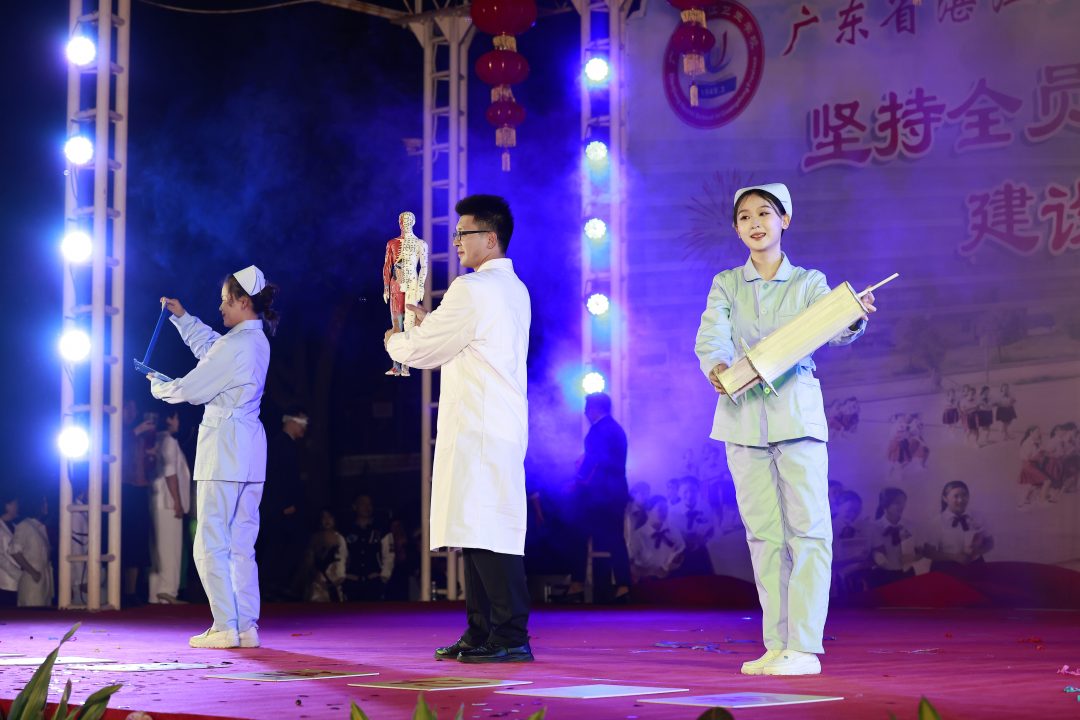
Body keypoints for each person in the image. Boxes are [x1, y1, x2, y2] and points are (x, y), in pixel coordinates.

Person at [694, 183, 876, 676]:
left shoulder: (809, 282)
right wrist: (717, 366)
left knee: (809, 531)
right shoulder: (726, 284)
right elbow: (712, 334)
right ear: (736, 229)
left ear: (785, 220)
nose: (755, 223)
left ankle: (806, 646)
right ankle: (777, 644)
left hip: (796, 416)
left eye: (765, 213)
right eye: (745, 217)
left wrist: (851, 315)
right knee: (763, 536)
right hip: (741, 419)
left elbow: (833, 328)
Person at [385, 194, 533, 663]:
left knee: (488, 530)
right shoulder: (513, 289)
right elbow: (463, 339)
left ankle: (509, 635)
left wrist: (396, 339)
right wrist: (429, 324)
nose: (455, 242)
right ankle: (481, 629)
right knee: (478, 527)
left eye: (463, 234)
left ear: (490, 238)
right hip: (496, 422)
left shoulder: (472, 288)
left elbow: (426, 350)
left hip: (480, 424)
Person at [148, 264, 276, 649]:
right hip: (249, 451)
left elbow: (193, 388)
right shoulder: (255, 340)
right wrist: (183, 318)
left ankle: (224, 625)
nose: (220, 307)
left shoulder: (235, 346)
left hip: (224, 449)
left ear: (243, 301)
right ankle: (245, 626)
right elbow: (212, 349)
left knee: (210, 542)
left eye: (225, 301)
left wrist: (160, 387)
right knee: (241, 543)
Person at [566, 392, 632, 603]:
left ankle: (577, 584)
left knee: (578, 535)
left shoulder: (598, 429)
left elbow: (593, 460)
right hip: (616, 491)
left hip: (600, 494)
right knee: (616, 538)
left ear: (595, 408)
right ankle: (623, 585)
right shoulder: (616, 429)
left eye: (587, 408)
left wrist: (577, 481)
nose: (585, 412)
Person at [259, 409, 308, 600]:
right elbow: (277, 478)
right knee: (278, 545)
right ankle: (271, 585)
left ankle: (276, 585)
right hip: (280, 509)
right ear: (291, 422)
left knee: (282, 545)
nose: (304, 427)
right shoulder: (280, 445)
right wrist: (284, 504)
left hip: (284, 507)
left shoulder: (287, 445)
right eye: (302, 423)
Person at [149, 409, 192, 604]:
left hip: (158, 500)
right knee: (170, 548)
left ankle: (156, 593)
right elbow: (170, 473)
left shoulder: (159, 439)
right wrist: (177, 501)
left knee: (159, 549)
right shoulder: (170, 441)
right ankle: (168, 591)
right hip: (168, 502)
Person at [921, 480, 994, 570]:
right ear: (945, 498)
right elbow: (928, 552)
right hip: (947, 568)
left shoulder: (978, 516)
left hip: (976, 566)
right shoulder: (937, 522)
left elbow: (990, 542)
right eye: (956, 496)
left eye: (964, 495)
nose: (961, 500)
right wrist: (955, 557)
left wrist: (977, 551)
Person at [342, 495, 388, 601]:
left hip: (374, 581)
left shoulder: (380, 529)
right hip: (352, 582)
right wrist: (343, 576)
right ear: (354, 506)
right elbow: (342, 555)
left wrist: (383, 576)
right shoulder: (346, 530)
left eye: (369, 504)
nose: (367, 507)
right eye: (363, 504)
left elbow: (388, 555)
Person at [628, 495, 684, 581]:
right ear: (648, 511)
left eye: (666, 509)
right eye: (660, 509)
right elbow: (628, 565)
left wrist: (675, 561)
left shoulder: (673, 530)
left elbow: (681, 550)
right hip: (647, 583)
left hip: (674, 579)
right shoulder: (638, 536)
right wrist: (653, 573)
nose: (664, 512)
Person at [13, 495, 53, 607]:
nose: (46, 505)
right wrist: (33, 572)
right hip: (32, 581)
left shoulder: (40, 526)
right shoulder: (24, 525)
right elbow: (14, 551)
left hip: (45, 580)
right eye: (44, 502)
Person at [304, 510, 348, 602]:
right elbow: (309, 562)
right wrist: (315, 576)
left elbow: (343, 560)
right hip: (317, 585)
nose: (327, 520)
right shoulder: (315, 539)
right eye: (324, 517)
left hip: (336, 583)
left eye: (330, 517)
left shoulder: (340, 539)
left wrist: (338, 579)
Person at [0, 490, 20, 607]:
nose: (18, 507)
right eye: (15, 504)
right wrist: (18, 574)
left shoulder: (15, 526)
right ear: (7, 505)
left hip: (17, 583)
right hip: (5, 583)